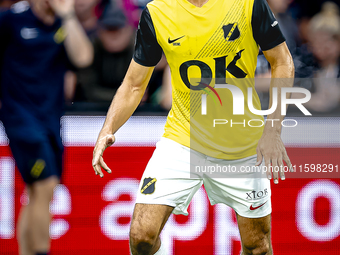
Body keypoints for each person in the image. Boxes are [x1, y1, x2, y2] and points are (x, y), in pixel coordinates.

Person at [92, 0, 294, 254]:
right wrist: (107, 129)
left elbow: (283, 62)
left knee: (258, 247)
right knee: (141, 237)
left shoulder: (248, 4)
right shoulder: (158, 13)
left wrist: (273, 131)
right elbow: (134, 84)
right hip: (183, 139)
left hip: (242, 144)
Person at [0, 0, 93, 255]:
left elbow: (83, 57)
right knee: (45, 185)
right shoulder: (11, 20)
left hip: (50, 119)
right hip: (20, 118)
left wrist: (69, 16)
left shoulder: (64, 23)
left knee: (38, 193)